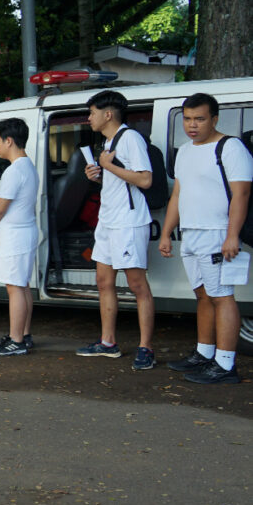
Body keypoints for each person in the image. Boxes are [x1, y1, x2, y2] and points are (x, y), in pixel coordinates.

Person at [159, 92, 250, 385]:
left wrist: (232, 235)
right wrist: (166, 233)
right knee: (202, 295)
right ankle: (204, 353)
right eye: (187, 119)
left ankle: (225, 365)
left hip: (217, 232)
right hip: (191, 234)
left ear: (214, 119)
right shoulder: (185, 151)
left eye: (199, 119)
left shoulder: (230, 147)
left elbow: (241, 194)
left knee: (222, 297)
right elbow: (178, 194)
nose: (192, 125)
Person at [78, 90, 156, 369]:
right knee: (104, 282)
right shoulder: (109, 142)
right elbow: (121, 181)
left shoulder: (130, 138)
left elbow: (145, 179)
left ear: (108, 114)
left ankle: (146, 348)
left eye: (92, 113)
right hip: (108, 220)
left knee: (137, 285)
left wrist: (108, 165)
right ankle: (108, 342)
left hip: (128, 221)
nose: (89, 118)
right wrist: (99, 176)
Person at [0, 118, 39, 356]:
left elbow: (1, 207)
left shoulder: (14, 171)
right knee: (22, 285)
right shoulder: (28, 166)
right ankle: (23, 334)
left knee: (14, 287)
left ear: (9, 141)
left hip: (16, 236)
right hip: (24, 232)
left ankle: (16, 340)